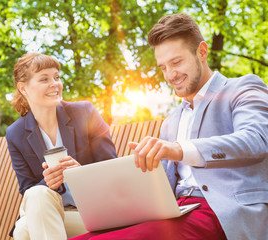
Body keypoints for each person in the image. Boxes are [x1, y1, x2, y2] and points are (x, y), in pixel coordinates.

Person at [70, 13, 268, 240]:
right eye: (163, 67)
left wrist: (179, 149)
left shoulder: (243, 87)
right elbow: (160, 185)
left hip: (221, 211)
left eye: (176, 62)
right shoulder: (172, 120)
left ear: (202, 52)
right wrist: (92, 179)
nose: (170, 75)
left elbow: (256, 140)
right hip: (175, 210)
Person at [5, 53, 117, 240]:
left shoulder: (84, 113)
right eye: (44, 79)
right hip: (49, 210)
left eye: (56, 77)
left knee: (23, 231)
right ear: (23, 88)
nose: (54, 84)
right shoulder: (15, 133)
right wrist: (48, 183)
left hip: (93, 214)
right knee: (36, 197)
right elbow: (28, 191)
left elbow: (111, 169)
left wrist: (81, 174)